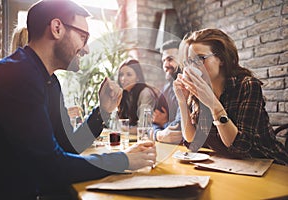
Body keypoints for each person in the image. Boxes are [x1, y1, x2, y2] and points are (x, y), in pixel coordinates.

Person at [0, 1, 156, 199]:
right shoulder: (17, 76)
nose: (86, 50)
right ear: (57, 28)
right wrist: (124, 160)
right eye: (83, 37)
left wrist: (102, 111)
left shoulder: (49, 81)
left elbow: (68, 146)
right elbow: (51, 167)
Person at [173, 28, 288, 165]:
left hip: (268, 165)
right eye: (190, 61)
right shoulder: (199, 92)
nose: (194, 66)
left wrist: (214, 105)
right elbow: (193, 142)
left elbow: (240, 148)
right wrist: (183, 101)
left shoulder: (247, 86)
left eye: (200, 58)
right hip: (231, 165)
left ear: (221, 59)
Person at [152, 40, 183, 144]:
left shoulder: (190, 87)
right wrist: (158, 134)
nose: (165, 65)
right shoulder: (166, 89)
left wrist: (164, 123)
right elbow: (151, 121)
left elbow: (179, 128)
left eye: (170, 59)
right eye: (163, 60)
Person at [117, 58, 158, 134]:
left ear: (138, 78)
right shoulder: (125, 94)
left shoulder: (145, 93)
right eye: (121, 75)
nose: (123, 79)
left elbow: (144, 127)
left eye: (129, 75)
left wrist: (121, 129)